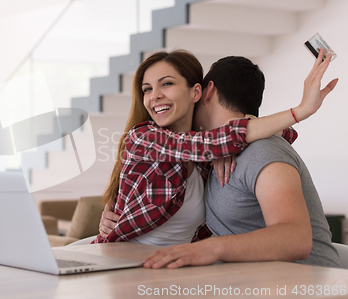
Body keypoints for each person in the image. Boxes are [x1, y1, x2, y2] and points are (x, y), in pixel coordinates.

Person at [103, 49, 341, 268]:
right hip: (139, 264)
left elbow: (284, 134)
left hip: (294, 282)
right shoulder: (161, 141)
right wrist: (226, 144)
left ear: (203, 92)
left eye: (166, 84)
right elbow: (214, 142)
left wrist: (229, 140)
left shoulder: (258, 150)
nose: (155, 96)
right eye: (147, 89)